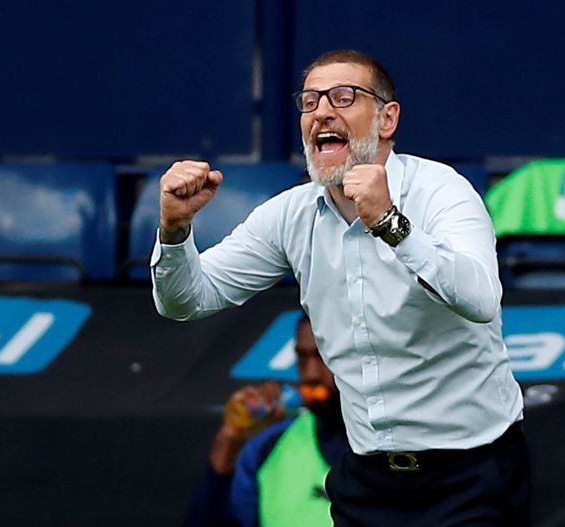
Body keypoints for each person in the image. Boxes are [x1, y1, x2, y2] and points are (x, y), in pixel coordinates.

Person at [153, 49, 531, 526]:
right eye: (310, 102)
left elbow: (479, 299)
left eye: (344, 97)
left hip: (470, 472)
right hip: (365, 478)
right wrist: (173, 229)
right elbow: (187, 301)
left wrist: (390, 222)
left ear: (387, 118)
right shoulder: (290, 214)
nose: (322, 112)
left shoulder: (442, 190)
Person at [183, 314, 348, 527]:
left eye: (325, 357)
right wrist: (229, 439)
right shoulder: (268, 446)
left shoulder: (398, 446)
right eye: (302, 358)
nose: (311, 374)